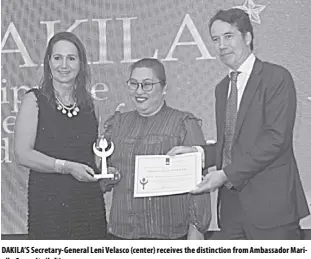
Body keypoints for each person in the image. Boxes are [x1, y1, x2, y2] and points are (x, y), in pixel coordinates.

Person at [167, 8, 310, 239]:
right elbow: (231, 146)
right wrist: (197, 153)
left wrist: (225, 175)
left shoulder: (276, 77)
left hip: (272, 208)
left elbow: (276, 140)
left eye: (228, 36)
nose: (221, 45)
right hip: (232, 209)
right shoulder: (222, 88)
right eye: (215, 39)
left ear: (248, 37)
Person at [101, 58, 211, 240]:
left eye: (147, 85)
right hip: (121, 234)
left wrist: (196, 233)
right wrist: (107, 176)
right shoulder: (117, 124)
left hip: (168, 236)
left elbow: (199, 184)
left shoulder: (183, 123)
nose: (139, 91)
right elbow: (102, 176)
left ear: (164, 88)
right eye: (133, 84)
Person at [14, 31, 108, 239]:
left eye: (71, 58)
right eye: (57, 58)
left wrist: (107, 172)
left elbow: (91, 158)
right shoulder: (35, 100)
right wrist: (67, 167)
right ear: (48, 62)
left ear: (81, 64)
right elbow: (22, 154)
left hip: (88, 206)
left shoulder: (90, 104)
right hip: (49, 206)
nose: (63, 65)